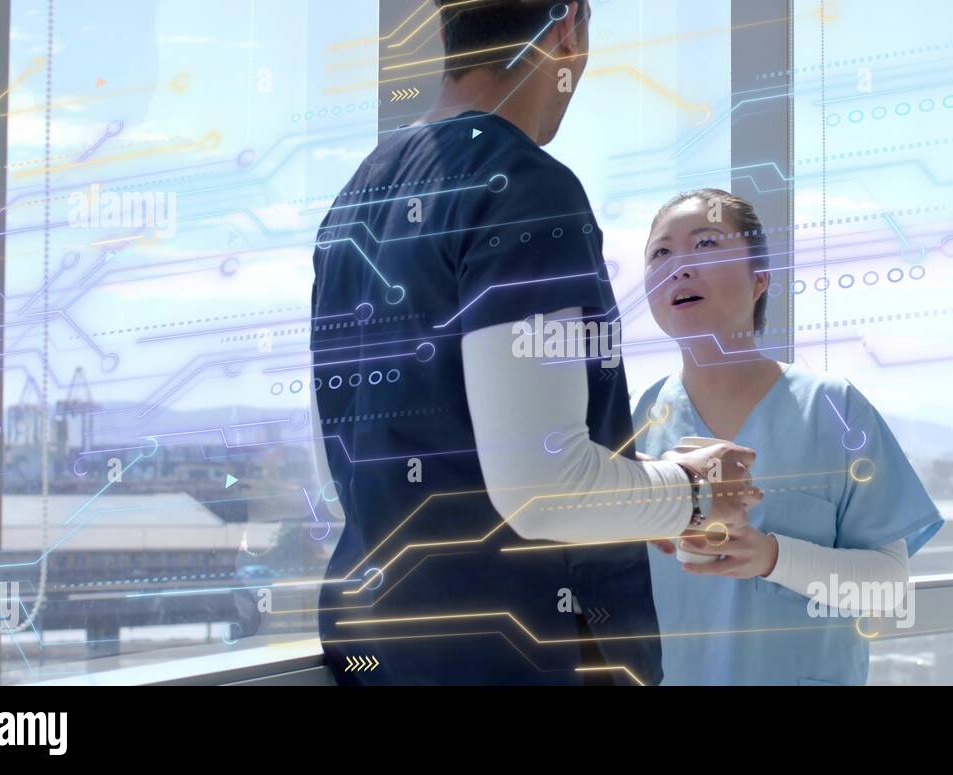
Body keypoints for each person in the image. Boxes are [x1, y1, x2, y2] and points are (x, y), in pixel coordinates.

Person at [310, 3, 759, 685]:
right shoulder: (524, 190)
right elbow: (543, 490)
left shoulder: (353, 203)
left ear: (444, 32)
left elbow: (361, 458)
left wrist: (641, 497)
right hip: (518, 654)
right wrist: (695, 490)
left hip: (378, 645)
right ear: (568, 27)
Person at [631, 189, 944, 685]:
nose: (679, 266)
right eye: (661, 252)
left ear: (759, 280)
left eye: (706, 244)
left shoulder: (834, 410)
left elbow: (887, 587)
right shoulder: (634, 423)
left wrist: (772, 557)